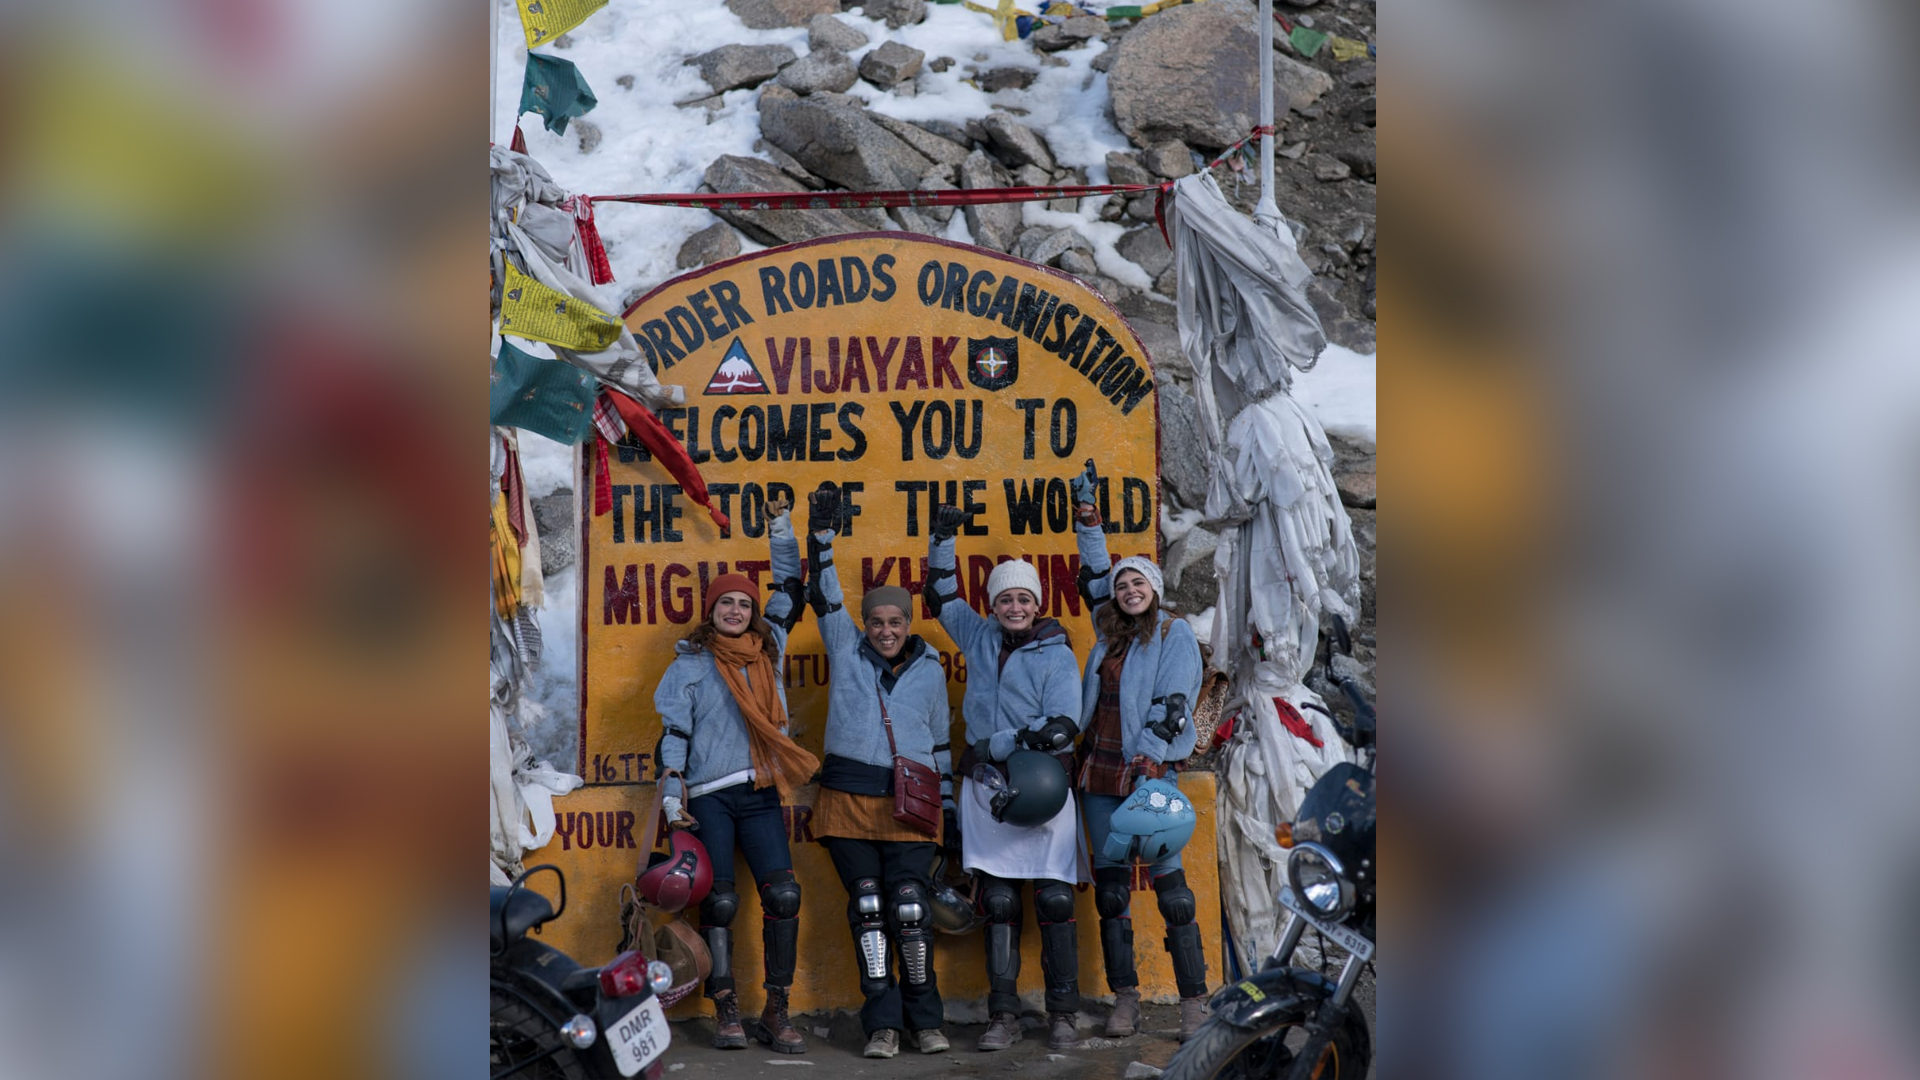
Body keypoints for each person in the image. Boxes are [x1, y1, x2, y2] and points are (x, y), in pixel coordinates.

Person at [654, 495, 820, 1054]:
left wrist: (780, 527)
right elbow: (673, 735)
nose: (734, 611)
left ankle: (776, 1009)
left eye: (742, 604)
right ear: (711, 611)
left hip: (760, 790)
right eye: (724, 604)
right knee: (719, 902)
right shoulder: (691, 666)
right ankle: (726, 1009)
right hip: (709, 797)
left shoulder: (766, 654)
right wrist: (672, 795)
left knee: (785, 896)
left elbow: (790, 589)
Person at [924, 502, 1088, 1052]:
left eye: (1023, 598)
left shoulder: (1057, 652)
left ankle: (1063, 1014)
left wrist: (1004, 741)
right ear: (992, 605)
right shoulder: (980, 636)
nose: (1014, 607)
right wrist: (942, 539)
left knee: (1056, 901)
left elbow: (1062, 726)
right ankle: (1003, 1016)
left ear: (1036, 604)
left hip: (1040, 784)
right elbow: (941, 597)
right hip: (986, 788)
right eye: (1004, 599)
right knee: (996, 901)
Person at [802, 484, 955, 1059]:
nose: (885, 629)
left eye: (895, 620)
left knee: (910, 909)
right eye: (876, 620)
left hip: (910, 804)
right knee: (868, 908)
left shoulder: (931, 670)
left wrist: (951, 808)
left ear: (907, 622)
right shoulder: (844, 646)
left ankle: (928, 1021)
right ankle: (883, 1027)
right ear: (864, 623)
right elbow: (826, 595)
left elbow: (940, 742)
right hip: (846, 801)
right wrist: (821, 539)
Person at [1069, 463, 1209, 1040]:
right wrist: (1088, 518)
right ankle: (1125, 1001)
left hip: (1146, 773)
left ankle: (1194, 1006)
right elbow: (1097, 573)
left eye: (1139, 584)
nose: (1128, 591)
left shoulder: (1172, 634)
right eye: (1123, 586)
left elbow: (1174, 703)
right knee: (1110, 888)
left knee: (1171, 891)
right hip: (1098, 771)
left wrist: (1149, 758)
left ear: (1155, 589)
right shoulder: (1109, 634)